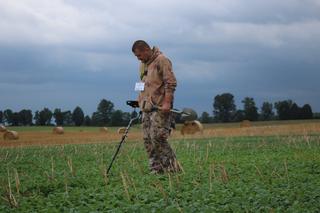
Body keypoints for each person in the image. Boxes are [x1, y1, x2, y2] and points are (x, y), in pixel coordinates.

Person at [132, 40, 181, 174]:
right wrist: (139, 100)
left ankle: (172, 169)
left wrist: (167, 103)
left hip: (160, 107)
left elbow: (170, 83)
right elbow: (142, 83)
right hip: (146, 108)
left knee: (158, 137)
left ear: (146, 50)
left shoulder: (162, 60)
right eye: (136, 56)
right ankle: (156, 169)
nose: (138, 58)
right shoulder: (143, 65)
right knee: (148, 140)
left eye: (139, 55)